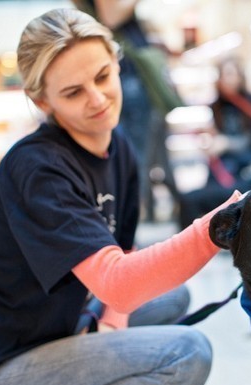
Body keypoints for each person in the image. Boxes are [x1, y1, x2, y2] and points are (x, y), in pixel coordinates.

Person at [0, 9, 242, 385]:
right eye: (73, 92)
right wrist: (218, 227)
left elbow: (122, 252)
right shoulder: (38, 170)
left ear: (116, 62)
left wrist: (112, 321)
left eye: (103, 76)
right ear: (41, 101)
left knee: (171, 298)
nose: (98, 99)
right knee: (186, 354)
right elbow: (118, 283)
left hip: (50, 330)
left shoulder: (117, 145)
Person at [74, 0, 181, 222]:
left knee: (145, 157)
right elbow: (110, 15)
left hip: (133, 84)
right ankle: (130, 222)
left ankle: (140, 216)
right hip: (131, 86)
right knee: (136, 159)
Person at [178, 57, 251, 229]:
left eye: (231, 74)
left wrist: (226, 144)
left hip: (249, 171)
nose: (227, 79)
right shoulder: (215, 106)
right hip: (223, 171)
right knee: (191, 200)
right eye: (223, 75)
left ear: (240, 76)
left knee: (196, 199)